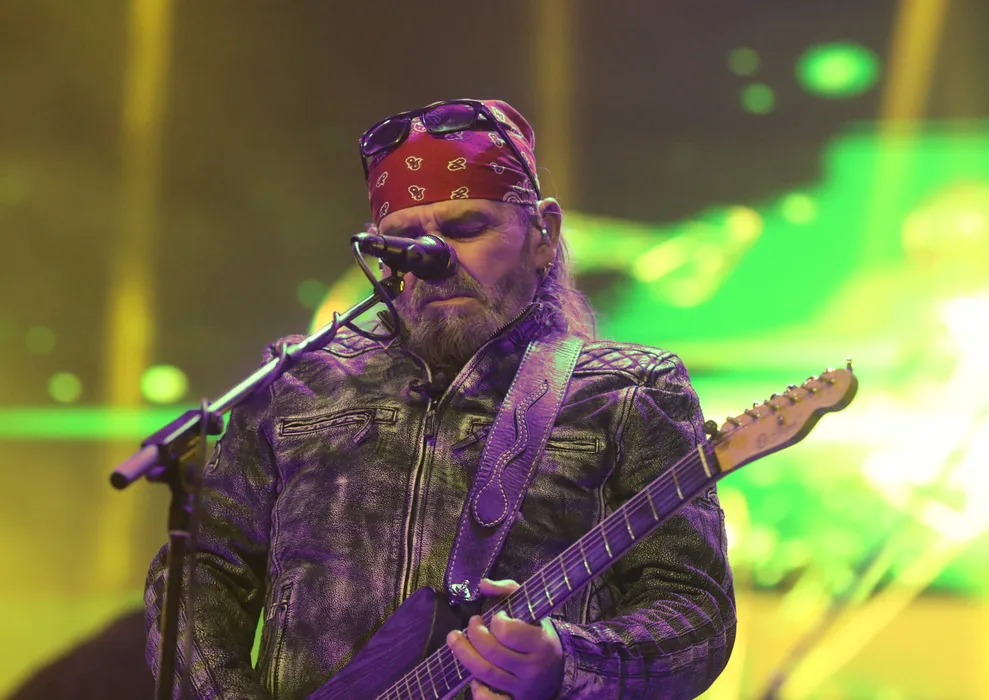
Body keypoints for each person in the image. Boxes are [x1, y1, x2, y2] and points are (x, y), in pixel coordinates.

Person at [144, 98, 736, 699]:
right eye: (405, 240)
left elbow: (695, 612)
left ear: (545, 235)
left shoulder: (630, 389)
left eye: (466, 228)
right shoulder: (299, 381)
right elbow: (198, 578)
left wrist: (569, 662)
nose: (435, 258)